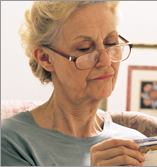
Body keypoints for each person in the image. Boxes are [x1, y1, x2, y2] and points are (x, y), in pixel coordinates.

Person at [1, 1, 147, 166]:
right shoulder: (11, 141)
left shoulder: (137, 145)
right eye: (85, 49)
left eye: (111, 43)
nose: (106, 61)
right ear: (45, 58)